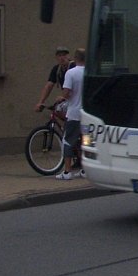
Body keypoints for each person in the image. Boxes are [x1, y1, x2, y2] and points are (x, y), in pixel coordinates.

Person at [55, 48, 86, 180]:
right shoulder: (89, 73)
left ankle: (67, 172)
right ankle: (85, 170)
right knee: (84, 142)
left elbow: (67, 92)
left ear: (75, 58)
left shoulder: (71, 73)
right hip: (87, 113)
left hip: (74, 113)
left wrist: (60, 98)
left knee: (67, 140)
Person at [35, 46, 74, 113]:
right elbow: (49, 86)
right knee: (58, 110)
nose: (62, 58)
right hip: (67, 100)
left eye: (64, 55)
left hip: (76, 99)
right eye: (59, 55)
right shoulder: (57, 69)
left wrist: (63, 97)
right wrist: (41, 102)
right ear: (56, 58)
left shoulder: (73, 67)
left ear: (68, 56)